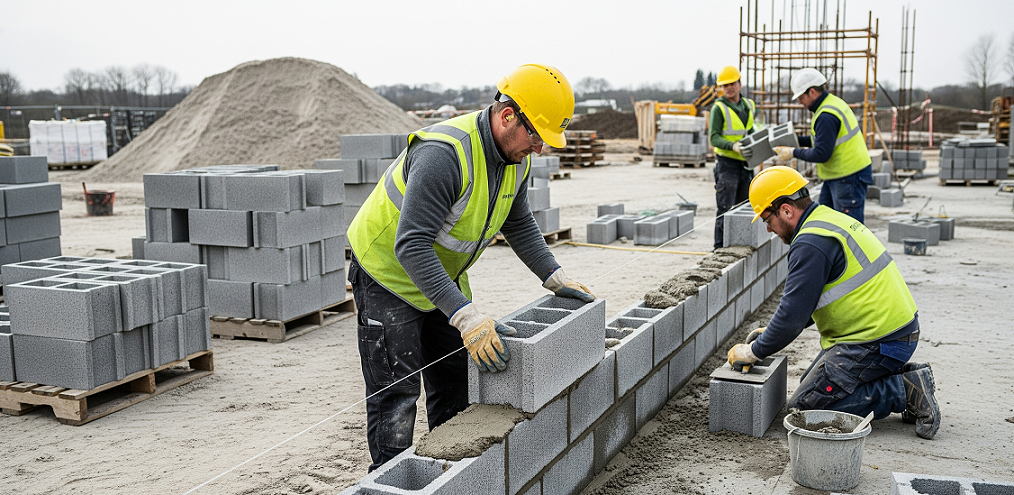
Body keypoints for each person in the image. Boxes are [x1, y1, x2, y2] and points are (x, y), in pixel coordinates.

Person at [346, 64, 595, 470]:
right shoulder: (444, 154)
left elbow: (517, 220)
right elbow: (410, 245)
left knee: (455, 387)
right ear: (508, 115)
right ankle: (393, 478)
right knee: (397, 396)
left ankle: (450, 475)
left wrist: (554, 274)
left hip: (440, 275)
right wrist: (466, 317)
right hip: (387, 274)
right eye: (536, 135)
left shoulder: (516, 159)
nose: (539, 148)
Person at [727, 166, 941, 439]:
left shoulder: (811, 243)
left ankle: (903, 391)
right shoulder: (826, 219)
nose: (768, 228)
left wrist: (754, 351)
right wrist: (769, 334)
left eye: (767, 218)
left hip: (880, 341)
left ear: (786, 210)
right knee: (812, 386)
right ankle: (900, 378)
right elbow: (808, 302)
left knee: (805, 409)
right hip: (889, 330)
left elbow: (792, 318)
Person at [772, 68, 874, 223]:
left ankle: (849, 249)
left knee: (848, 227)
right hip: (840, 175)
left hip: (848, 177)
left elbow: (821, 153)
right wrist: (794, 141)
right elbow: (820, 140)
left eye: (801, 97)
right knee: (827, 221)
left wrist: (793, 152)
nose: (800, 102)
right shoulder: (830, 104)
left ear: (812, 92)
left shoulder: (826, 115)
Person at [709, 65, 759, 250]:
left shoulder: (749, 105)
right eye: (725, 85)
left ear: (740, 83)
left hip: (746, 164)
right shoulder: (719, 108)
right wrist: (733, 146)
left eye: (732, 83)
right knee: (725, 209)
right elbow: (714, 138)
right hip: (727, 165)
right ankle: (719, 248)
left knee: (745, 208)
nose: (729, 88)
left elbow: (750, 130)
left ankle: (740, 245)